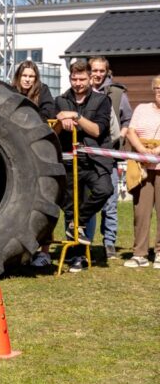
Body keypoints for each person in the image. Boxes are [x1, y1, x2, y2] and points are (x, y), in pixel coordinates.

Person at [54, 59, 114, 273]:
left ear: (90, 78)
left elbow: (98, 130)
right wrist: (61, 121)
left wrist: (76, 116)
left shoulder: (102, 101)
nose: (78, 83)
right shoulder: (60, 100)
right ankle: (76, 257)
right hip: (70, 163)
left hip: (95, 162)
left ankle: (79, 222)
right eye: (74, 79)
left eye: (82, 79)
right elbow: (53, 133)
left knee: (105, 189)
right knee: (70, 208)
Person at [12, 61, 58, 269]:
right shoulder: (9, 91)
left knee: (43, 202)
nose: (28, 79)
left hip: (39, 155)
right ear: (18, 77)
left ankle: (45, 252)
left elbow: (48, 113)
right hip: (16, 156)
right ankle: (21, 251)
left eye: (31, 76)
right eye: (24, 75)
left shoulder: (44, 92)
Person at [87, 56, 132, 260]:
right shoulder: (82, 92)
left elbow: (127, 120)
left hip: (109, 155)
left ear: (107, 72)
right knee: (89, 201)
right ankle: (86, 242)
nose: (97, 74)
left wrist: (120, 136)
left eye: (101, 71)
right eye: (94, 70)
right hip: (87, 156)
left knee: (110, 201)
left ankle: (109, 243)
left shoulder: (117, 93)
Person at [122, 75, 160, 268]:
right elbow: (131, 131)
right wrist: (143, 152)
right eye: (158, 89)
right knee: (141, 211)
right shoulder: (141, 109)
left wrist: (157, 151)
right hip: (142, 167)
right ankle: (140, 254)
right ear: (154, 90)